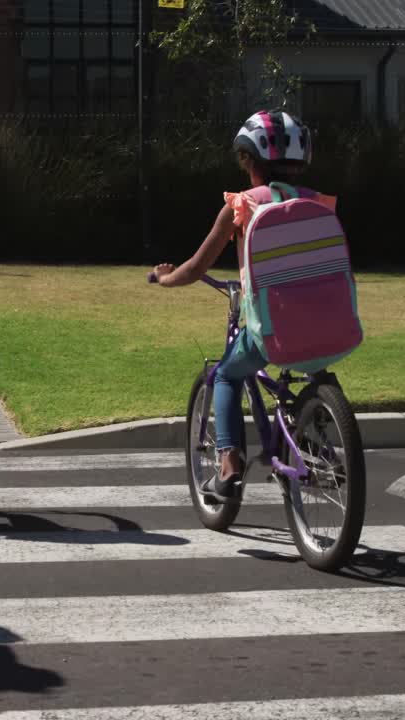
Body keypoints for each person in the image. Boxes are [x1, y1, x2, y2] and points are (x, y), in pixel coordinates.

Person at [151, 111, 335, 502]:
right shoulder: (319, 204)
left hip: (269, 329)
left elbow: (196, 267)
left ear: (250, 162)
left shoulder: (243, 204)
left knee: (225, 376)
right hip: (327, 323)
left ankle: (230, 465)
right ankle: (321, 440)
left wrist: (165, 278)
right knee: (313, 373)